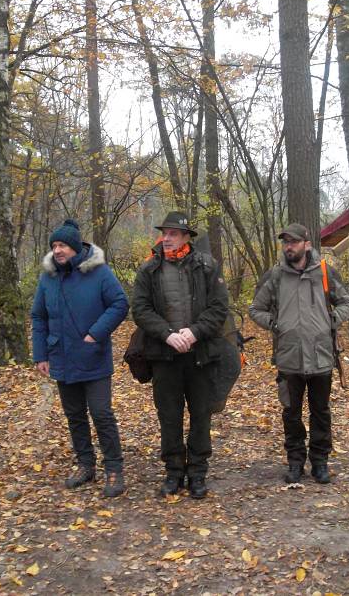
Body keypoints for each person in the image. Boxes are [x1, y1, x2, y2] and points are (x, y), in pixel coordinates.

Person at [131, 211, 229, 499]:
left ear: (187, 237)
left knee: (201, 415)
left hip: (201, 355)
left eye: (173, 233)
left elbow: (219, 308)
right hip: (164, 356)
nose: (167, 238)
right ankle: (173, 472)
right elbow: (140, 310)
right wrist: (167, 334)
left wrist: (194, 332)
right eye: (165, 233)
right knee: (169, 416)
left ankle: (197, 473)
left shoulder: (207, 266)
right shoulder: (149, 269)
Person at [31, 220, 129, 497]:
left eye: (62, 245)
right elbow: (39, 316)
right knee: (74, 415)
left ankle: (114, 469)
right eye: (54, 245)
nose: (57, 250)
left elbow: (120, 303)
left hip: (93, 356)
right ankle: (86, 465)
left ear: (75, 247)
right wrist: (41, 354)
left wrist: (96, 333)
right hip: (61, 357)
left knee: (101, 413)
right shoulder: (48, 277)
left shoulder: (99, 272)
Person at [249, 223, 349, 484]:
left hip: (321, 357)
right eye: (286, 242)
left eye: (294, 242)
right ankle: (295, 462)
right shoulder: (275, 275)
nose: (289, 247)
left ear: (306, 244)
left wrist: (330, 321)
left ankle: (320, 463)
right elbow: (256, 309)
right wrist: (275, 325)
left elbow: (346, 302)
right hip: (288, 357)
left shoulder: (325, 272)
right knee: (291, 413)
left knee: (321, 413)